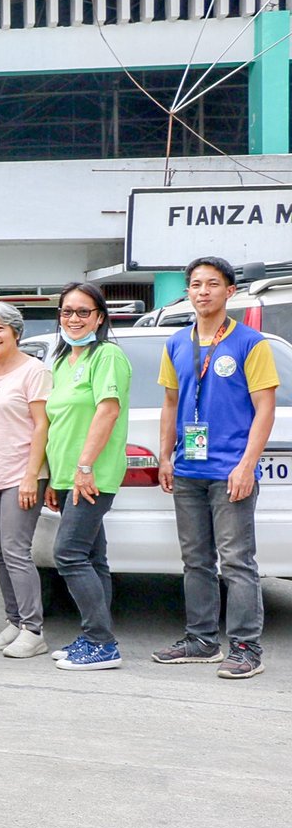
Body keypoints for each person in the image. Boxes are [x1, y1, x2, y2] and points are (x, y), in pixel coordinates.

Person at [153, 256, 280, 679]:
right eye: (195, 284)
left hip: (231, 473)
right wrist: (165, 455)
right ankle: (201, 640)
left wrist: (247, 465)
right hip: (189, 469)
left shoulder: (250, 342)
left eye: (212, 284)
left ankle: (246, 647)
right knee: (195, 561)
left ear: (230, 292)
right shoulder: (175, 343)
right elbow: (170, 403)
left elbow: (265, 409)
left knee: (238, 561)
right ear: (187, 291)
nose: (202, 291)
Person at [43, 282, 131, 672]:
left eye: (83, 312)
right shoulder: (63, 361)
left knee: (69, 554)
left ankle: (102, 642)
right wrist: (55, 479)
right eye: (67, 312)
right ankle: (93, 633)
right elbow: (57, 422)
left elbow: (107, 412)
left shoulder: (107, 356)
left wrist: (83, 468)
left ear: (99, 316)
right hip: (66, 476)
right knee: (93, 558)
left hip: (91, 475)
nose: (74, 319)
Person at [0, 300, 52, 659]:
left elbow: (42, 425)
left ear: (16, 332)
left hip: (22, 475)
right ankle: (14, 620)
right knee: (1, 553)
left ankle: (33, 629)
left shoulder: (33, 371)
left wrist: (31, 475)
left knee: (17, 551)